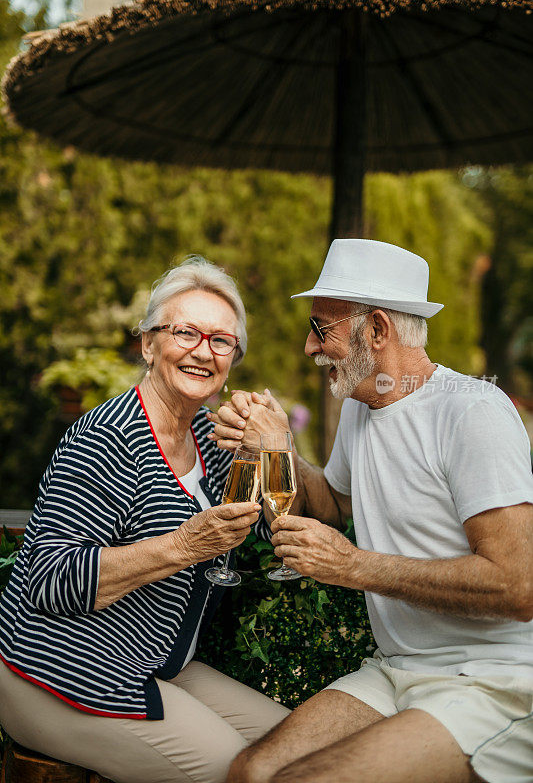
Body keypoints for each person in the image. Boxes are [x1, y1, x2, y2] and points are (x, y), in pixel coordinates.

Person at [208, 239, 533, 783]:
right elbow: (330, 503)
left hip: (491, 681)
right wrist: (275, 446)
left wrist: (355, 566)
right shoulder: (364, 406)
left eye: (322, 328)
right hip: (397, 673)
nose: (309, 347)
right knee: (252, 771)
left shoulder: (471, 412)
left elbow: (520, 586)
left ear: (378, 330)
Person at [0, 257, 289, 783]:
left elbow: (273, 530)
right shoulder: (106, 438)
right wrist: (181, 547)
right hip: (64, 674)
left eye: (222, 341)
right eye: (185, 332)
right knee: (248, 774)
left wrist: (274, 447)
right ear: (148, 344)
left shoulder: (210, 439)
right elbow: (48, 581)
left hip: (159, 665)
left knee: (299, 749)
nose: (204, 350)